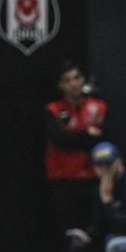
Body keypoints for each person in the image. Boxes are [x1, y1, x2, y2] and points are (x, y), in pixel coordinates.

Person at [44, 61, 107, 233]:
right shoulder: (53, 110)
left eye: (76, 78)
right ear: (60, 85)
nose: (73, 84)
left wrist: (76, 138)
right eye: (67, 80)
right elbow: (60, 140)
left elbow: (103, 138)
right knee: (70, 232)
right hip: (64, 179)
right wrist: (87, 134)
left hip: (93, 177)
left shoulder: (99, 107)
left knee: (94, 229)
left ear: (83, 80)